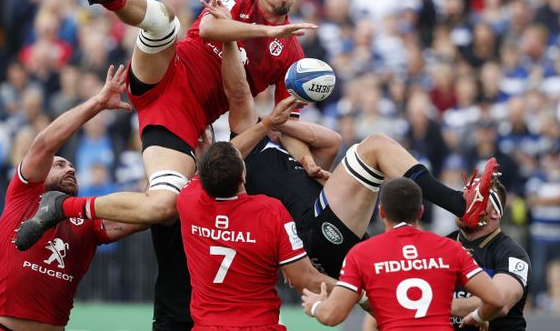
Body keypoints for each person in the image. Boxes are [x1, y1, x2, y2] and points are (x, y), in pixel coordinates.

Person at [15, 0, 318, 330]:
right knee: (163, 23)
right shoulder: (238, 0)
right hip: (169, 71)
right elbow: (209, 29)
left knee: (164, 206)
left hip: (179, 121)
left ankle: (62, 207)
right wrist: (268, 30)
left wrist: (308, 161)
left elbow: (283, 122)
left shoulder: (292, 51)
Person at [208, 25, 501, 278]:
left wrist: (284, 128)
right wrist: (230, 39)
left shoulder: (279, 147)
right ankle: (461, 205)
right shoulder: (234, 157)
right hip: (313, 230)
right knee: (374, 145)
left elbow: (331, 141)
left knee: (393, 307)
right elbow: (237, 92)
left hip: (333, 225)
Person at [0, 65, 145, 331]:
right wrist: (98, 102)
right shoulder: (23, 194)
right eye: (60, 164)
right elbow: (44, 144)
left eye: (72, 167)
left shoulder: (88, 224)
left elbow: (146, 212)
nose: (70, 168)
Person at [301, 178, 505, 330]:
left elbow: (333, 315)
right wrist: (478, 317)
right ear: (421, 212)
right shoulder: (449, 248)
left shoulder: (362, 254)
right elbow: (496, 299)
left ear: (381, 212)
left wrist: (315, 305)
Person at [177, 141, 337, 330]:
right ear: (243, 177)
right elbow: (305, 279)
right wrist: (359, 293)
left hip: (207, 326)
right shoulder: (270, 211)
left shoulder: (188, 200)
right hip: (259, 325)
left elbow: (200, 174)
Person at [449, 177, 531, 330]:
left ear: (495, 213)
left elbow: (499, 303)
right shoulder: (442, 245)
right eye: (465, 197)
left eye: (477, 199)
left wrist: (432, 304)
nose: (465, 204)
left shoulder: (513, 254)